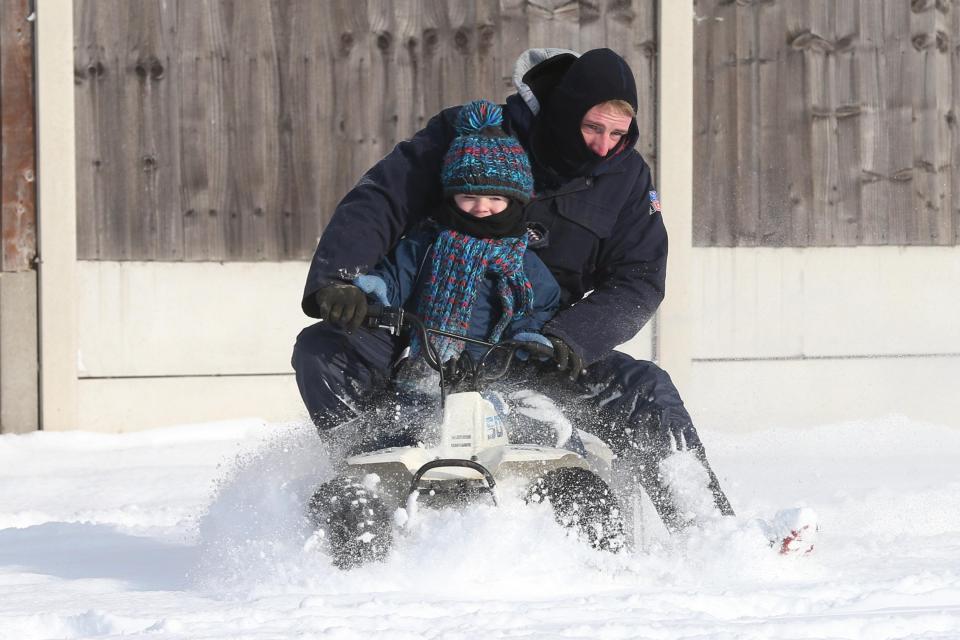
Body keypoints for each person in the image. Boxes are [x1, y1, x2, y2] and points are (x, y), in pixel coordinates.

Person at [293, 47, 735, 531]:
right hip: (422, 335)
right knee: (324, 350)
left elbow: (640, 278)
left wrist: (576, 337)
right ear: (566, 113)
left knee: (644, 389)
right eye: (593, 128)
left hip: (539, 344)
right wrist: (343, 280)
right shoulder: (470, 133)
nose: (605, 145)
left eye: (618, 133)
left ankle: (707, 532)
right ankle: (373, 473)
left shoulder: (625, 175)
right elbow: (381, 200)